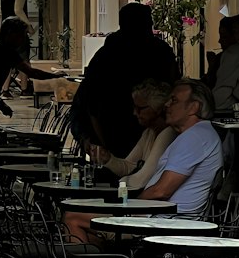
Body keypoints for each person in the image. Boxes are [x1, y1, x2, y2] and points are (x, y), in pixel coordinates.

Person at [64, 81, 176, 242]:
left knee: (72, 218)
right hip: (135, 205)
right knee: (84, 226)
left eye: (141, 108)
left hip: (146, 213)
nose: (135, 113)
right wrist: (107, 158)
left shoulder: (167, 134)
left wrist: (122, 182)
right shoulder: (149, 133)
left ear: (158, 109)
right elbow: (128, 166)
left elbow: (142, 178)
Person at [70, 2, 179, 152]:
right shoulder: (108, 55)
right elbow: (89, 101)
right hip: (113, 127)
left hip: (145, 130)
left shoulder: (159, 53)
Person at [139, 80, 223, 215]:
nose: (166, 105)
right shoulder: (199, 134)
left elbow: (162, 191)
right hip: (160, 218)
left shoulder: (195, 136)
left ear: (194, 107)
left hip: (164, 223)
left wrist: (130, 205)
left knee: (93, 219)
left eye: (174, 100)